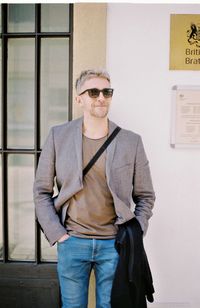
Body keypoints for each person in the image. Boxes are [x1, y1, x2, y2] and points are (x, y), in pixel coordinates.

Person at [33, 69, 155, 308]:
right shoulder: (58, 136)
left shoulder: (131, 141)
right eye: (93, 92)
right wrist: (58, 234)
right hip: (72, 241)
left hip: (115, 244)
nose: (101, 97)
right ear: (79, 99)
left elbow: (145, 195)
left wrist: (135, 232)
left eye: (106, 92)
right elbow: (41, 190)